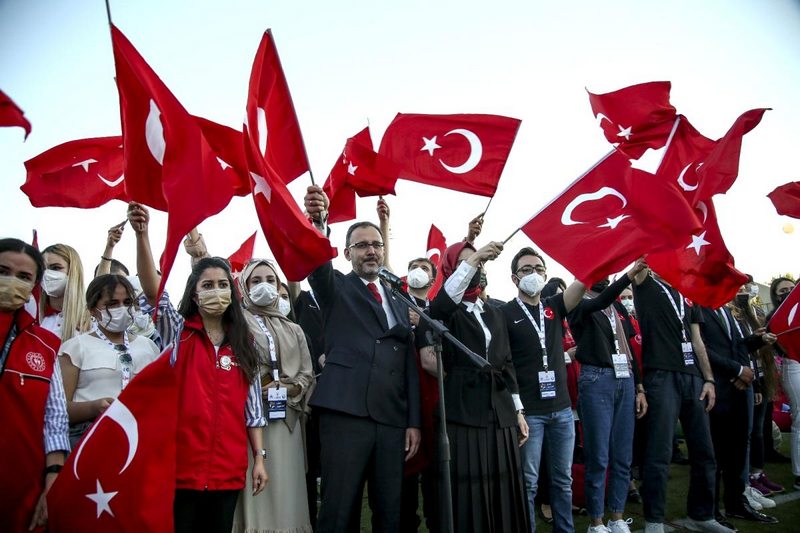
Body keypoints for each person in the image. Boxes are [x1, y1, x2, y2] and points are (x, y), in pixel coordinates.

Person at [127, 202, 268, 533]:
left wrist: (260, 458)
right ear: (194, 293)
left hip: (228, 469)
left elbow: (253, 410)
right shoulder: (176, 333)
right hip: (180, 469)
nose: (216, 292)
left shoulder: (244, 344)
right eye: (207, 285)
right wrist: (143, 235)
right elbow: (153, 291)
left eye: (222, 285)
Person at [303, 186, 421, 533]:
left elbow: (408, 366)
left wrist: (412, 421)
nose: (371, 251)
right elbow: (317, 266)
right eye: (362, 245)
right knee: (340, 510)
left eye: (376, 245)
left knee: (391, 511)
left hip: (391, 420)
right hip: (345, 415)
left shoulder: (400, 300)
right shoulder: (336, 287)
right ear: (347, 252)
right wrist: (318, 221)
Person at [428, 240, 529, 532]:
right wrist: (475, 258)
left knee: (504, 488)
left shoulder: (495, 311)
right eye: (466, 263)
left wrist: (518, 411)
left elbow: (507, 363)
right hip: (464, 414)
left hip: (501, 413)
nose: (477, 269)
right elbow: (441, 307)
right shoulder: (446, 311)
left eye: (480, 263)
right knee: (469, 493)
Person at [632, 269, 726, 533]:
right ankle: (654, 520)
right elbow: (638, 253)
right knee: (659, 452)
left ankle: (702, 515)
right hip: (661, 375)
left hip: (693, 377)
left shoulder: (687, 292)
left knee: (704, 450)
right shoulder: (645, 282)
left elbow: (697, 340)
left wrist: (709, 379)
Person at [501, 247, 584, 533]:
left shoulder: (554, 306)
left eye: (538, 268)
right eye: (526, 269)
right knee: (528, 482)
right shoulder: (504, 313)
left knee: (563, 481)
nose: (533, 274)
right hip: (529, 414)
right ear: (514, 278)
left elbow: (583, 282)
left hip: (561, 410)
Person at [232, 259, 314, 533]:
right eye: (256, 280)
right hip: (250, 420)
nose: (264, 286)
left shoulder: (295, 329)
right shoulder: (236, 323)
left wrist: (288, 388)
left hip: (287, 418)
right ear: (244, 286)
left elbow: (306, 373)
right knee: (256, 486)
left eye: (270, 280)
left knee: (287, 489)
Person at [567, 261, 649, 533]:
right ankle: (597, 521)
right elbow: (600, 299)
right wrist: (628, 277)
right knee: (599, 455)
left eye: (607, 272)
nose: (603, 276)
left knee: (623, 455)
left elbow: (628, 350)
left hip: (624, 380)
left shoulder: (618, 308)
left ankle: (616, 516)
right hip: (596, 378)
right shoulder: (578, 303)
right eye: (598, 271)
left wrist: (639, 388)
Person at [0, 238, 69, 532]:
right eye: (3, 271)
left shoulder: (45, 345)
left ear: (34, 287)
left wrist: (53, 476)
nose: (10, 281)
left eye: (24, 277)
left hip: (21, 490)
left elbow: (55, 419)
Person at [698, 300, 779, 525]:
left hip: (739, 390)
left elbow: (737, 345)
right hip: (718, 389)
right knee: (715, 454)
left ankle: (736, 503)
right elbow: (702, 348)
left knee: (736, 451)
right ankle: (711, 511)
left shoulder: (725, 309)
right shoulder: (698, 307)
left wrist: (757, 340)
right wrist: (737, 371)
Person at [58, 274, 160, 448]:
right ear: (92, 309)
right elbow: (58, 408)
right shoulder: (75, 348)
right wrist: (93, 408)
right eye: (112, 304)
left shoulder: (149, 347)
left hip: (140, 438)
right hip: (89, 437)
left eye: (127, 302)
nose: (121, 308)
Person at [768, 276, 800, 490]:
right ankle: (799, 473)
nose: (787, 293)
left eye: (791, 288)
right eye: (783, 291)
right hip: (793, 364)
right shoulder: (775, 318)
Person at [40, 243, 91, 342]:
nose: (47, 274)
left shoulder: (89, 319)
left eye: (56, 268)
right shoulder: (32, 316)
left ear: (72, 271)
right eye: (43, 269)